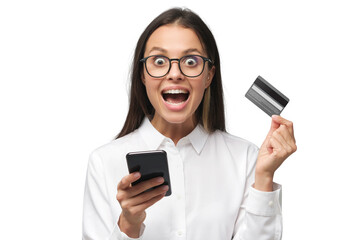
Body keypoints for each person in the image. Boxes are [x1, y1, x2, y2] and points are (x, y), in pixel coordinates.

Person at [82, 7, 297, 240]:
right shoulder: (104, 162)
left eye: (191, 61)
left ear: (209, 75)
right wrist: (128, 225)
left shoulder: (245, 158)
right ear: (142, 75)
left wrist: (264, 177)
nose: (175, 73)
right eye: (159, 60)